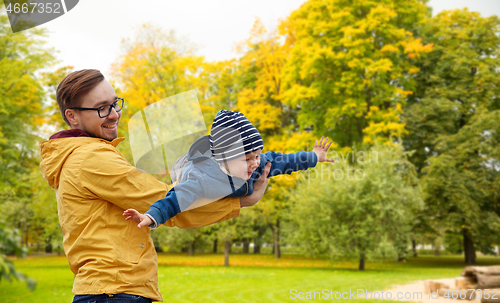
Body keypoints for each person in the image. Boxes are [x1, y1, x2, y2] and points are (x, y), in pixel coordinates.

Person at [39, 69, 270, 303]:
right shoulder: (91, 158)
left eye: (115, 104)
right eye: (101, 108)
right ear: (72, 116)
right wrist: (240, 201)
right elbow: (161, 200)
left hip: (112, 290)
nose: (114, 114)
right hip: (114, 292)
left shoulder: (81, 156)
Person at [124, 110, 334, 229]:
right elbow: (177, 198)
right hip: (188, 169)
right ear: (225, 158)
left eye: (257, 155)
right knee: (181, 176)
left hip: (221, 170)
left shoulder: (257, 164)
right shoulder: (202, 179)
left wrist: (314, 156)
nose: (255, 162)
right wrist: (152, 216)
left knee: (270, 162)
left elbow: (283, 161)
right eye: (247, 158)